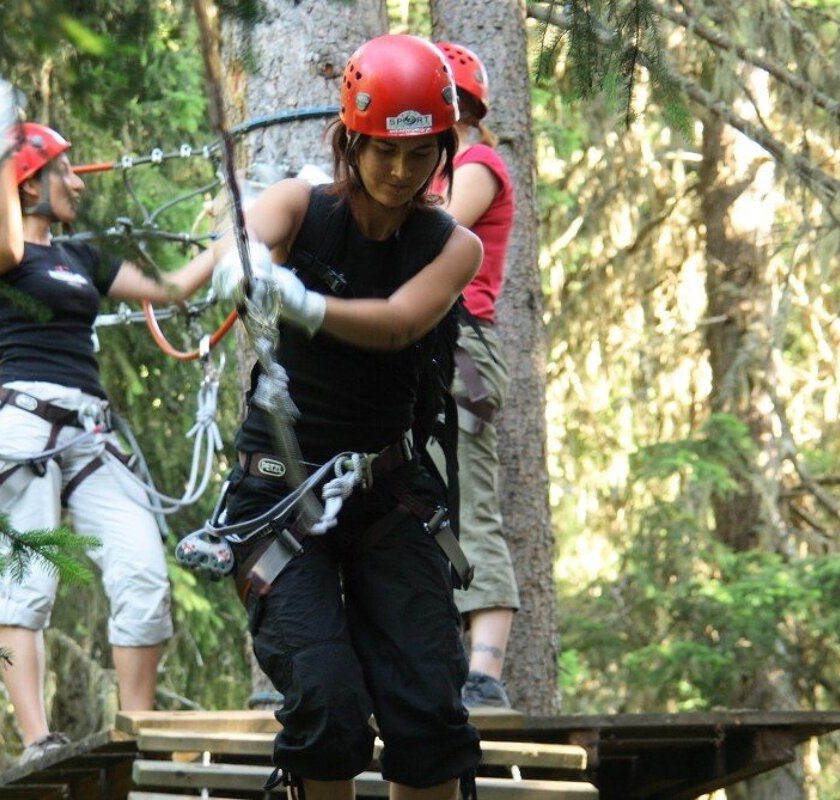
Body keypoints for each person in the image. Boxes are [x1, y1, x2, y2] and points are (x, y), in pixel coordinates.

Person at [208, 35, 484, 800]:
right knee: (327, 710)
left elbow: (399, 323)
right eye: (383, 152)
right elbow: (235, 241)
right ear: (351, 142)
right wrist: (236, 262)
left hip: (387, 496)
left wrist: (304, 304)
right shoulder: (301, 206)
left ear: (442, 152)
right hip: (278, 496)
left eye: (420, 155)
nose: (400, 173)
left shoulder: (451, 246)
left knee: (430, 718)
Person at [0, 117, 217, 763]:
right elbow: (4, 236)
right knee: (27, 584)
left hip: (91, 433)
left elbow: (171, 288)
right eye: (63, 172)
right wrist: (0, 154)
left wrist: (237, 238)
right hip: (25, 426)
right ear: (27, 185)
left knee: (143, 572)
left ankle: (139, 733)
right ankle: (37, 742)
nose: (78, 183)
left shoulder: (80, 257)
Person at [429, 42, 519, 710]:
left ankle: (483, 674)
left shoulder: (478, 163)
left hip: (462, 349)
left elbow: (437, 231)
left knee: (469, 500)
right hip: (423, 347)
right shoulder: (439, 172)